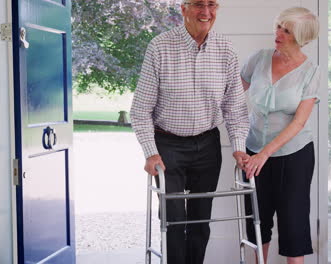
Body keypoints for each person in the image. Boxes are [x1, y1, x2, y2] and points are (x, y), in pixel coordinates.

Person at [130, 0, 249, 263]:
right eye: (198, 4)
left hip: (207, 145)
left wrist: (239, 147)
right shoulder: (160, 47)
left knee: (200, 220)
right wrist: (151, 153)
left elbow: (236, 108)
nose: (205, 12)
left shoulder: (226, 49)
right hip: (168, 144)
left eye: (211, 5)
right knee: (172, 220)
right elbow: (140, 110)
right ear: (183, 9)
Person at [240, 7, 320, 264]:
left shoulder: (311, 71)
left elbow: (299, 122)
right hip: (253, 151)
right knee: (257, 222)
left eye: (287, 30)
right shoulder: (258, 59)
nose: (278, 33)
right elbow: (231, 99)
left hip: (294, 155)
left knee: (293, 225)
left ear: (301, 36)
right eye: (278, 27)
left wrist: (265, 153)